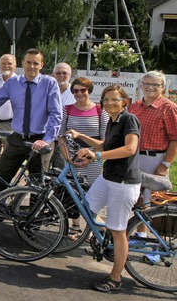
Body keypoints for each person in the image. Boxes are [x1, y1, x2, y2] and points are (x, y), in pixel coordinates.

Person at [0, 48, 62, 229]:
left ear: (42, 65)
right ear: (22, 63)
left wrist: (47, 140)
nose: (32, 66)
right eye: (28, 62)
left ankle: (31, 228)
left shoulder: (49, 83)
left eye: (36, 63)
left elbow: (56, 114)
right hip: (17, 139)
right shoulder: (14, 82)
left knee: (37, 187)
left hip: (40, 140)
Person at [68, 84, 141, 293]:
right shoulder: (112, 120)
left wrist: (97, 156)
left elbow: (130, 148)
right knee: (87, 208)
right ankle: (103, 237)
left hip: (123, 182)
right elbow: (104, 145)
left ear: (124, 102)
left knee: (118, 231)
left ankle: (116, 278)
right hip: (108, 177)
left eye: (114, 99)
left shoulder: (128, 119)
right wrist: (81, 137)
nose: (109, 103)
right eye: (106, 99)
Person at [128, 70, 177, 236]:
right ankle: (141, 234)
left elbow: (175, 139)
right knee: (138, 199)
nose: (150, 87)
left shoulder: (168, 108)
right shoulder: (134, 107)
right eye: (147, 84)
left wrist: (165, 165)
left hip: (155, 159)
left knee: (154, 201)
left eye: (155, 85)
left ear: (162, 87)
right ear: (141, 85)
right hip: (134, 158)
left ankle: (158, 242)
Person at [60, 77, 108, 239]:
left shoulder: (100, 110)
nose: (79, 93)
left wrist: (90, 155)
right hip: (72, 158)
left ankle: (91, 228)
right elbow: (61, 136)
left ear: (89, 90)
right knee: (72, 193)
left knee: (92, 194)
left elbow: (104, 140)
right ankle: (75, 226)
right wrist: (68, 157)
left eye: (83, 90)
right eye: (75, 91)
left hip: (93, 158)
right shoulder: (67, 109)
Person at [45, 62, 77, 170]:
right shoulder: (45, 90)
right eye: (58, 73)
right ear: (53, 75)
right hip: (46, 137)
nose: (61, 75)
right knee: (42, 169)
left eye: (64, 73)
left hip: (64, 140)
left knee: (61, 170)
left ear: (70, 75)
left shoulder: (76, 92)